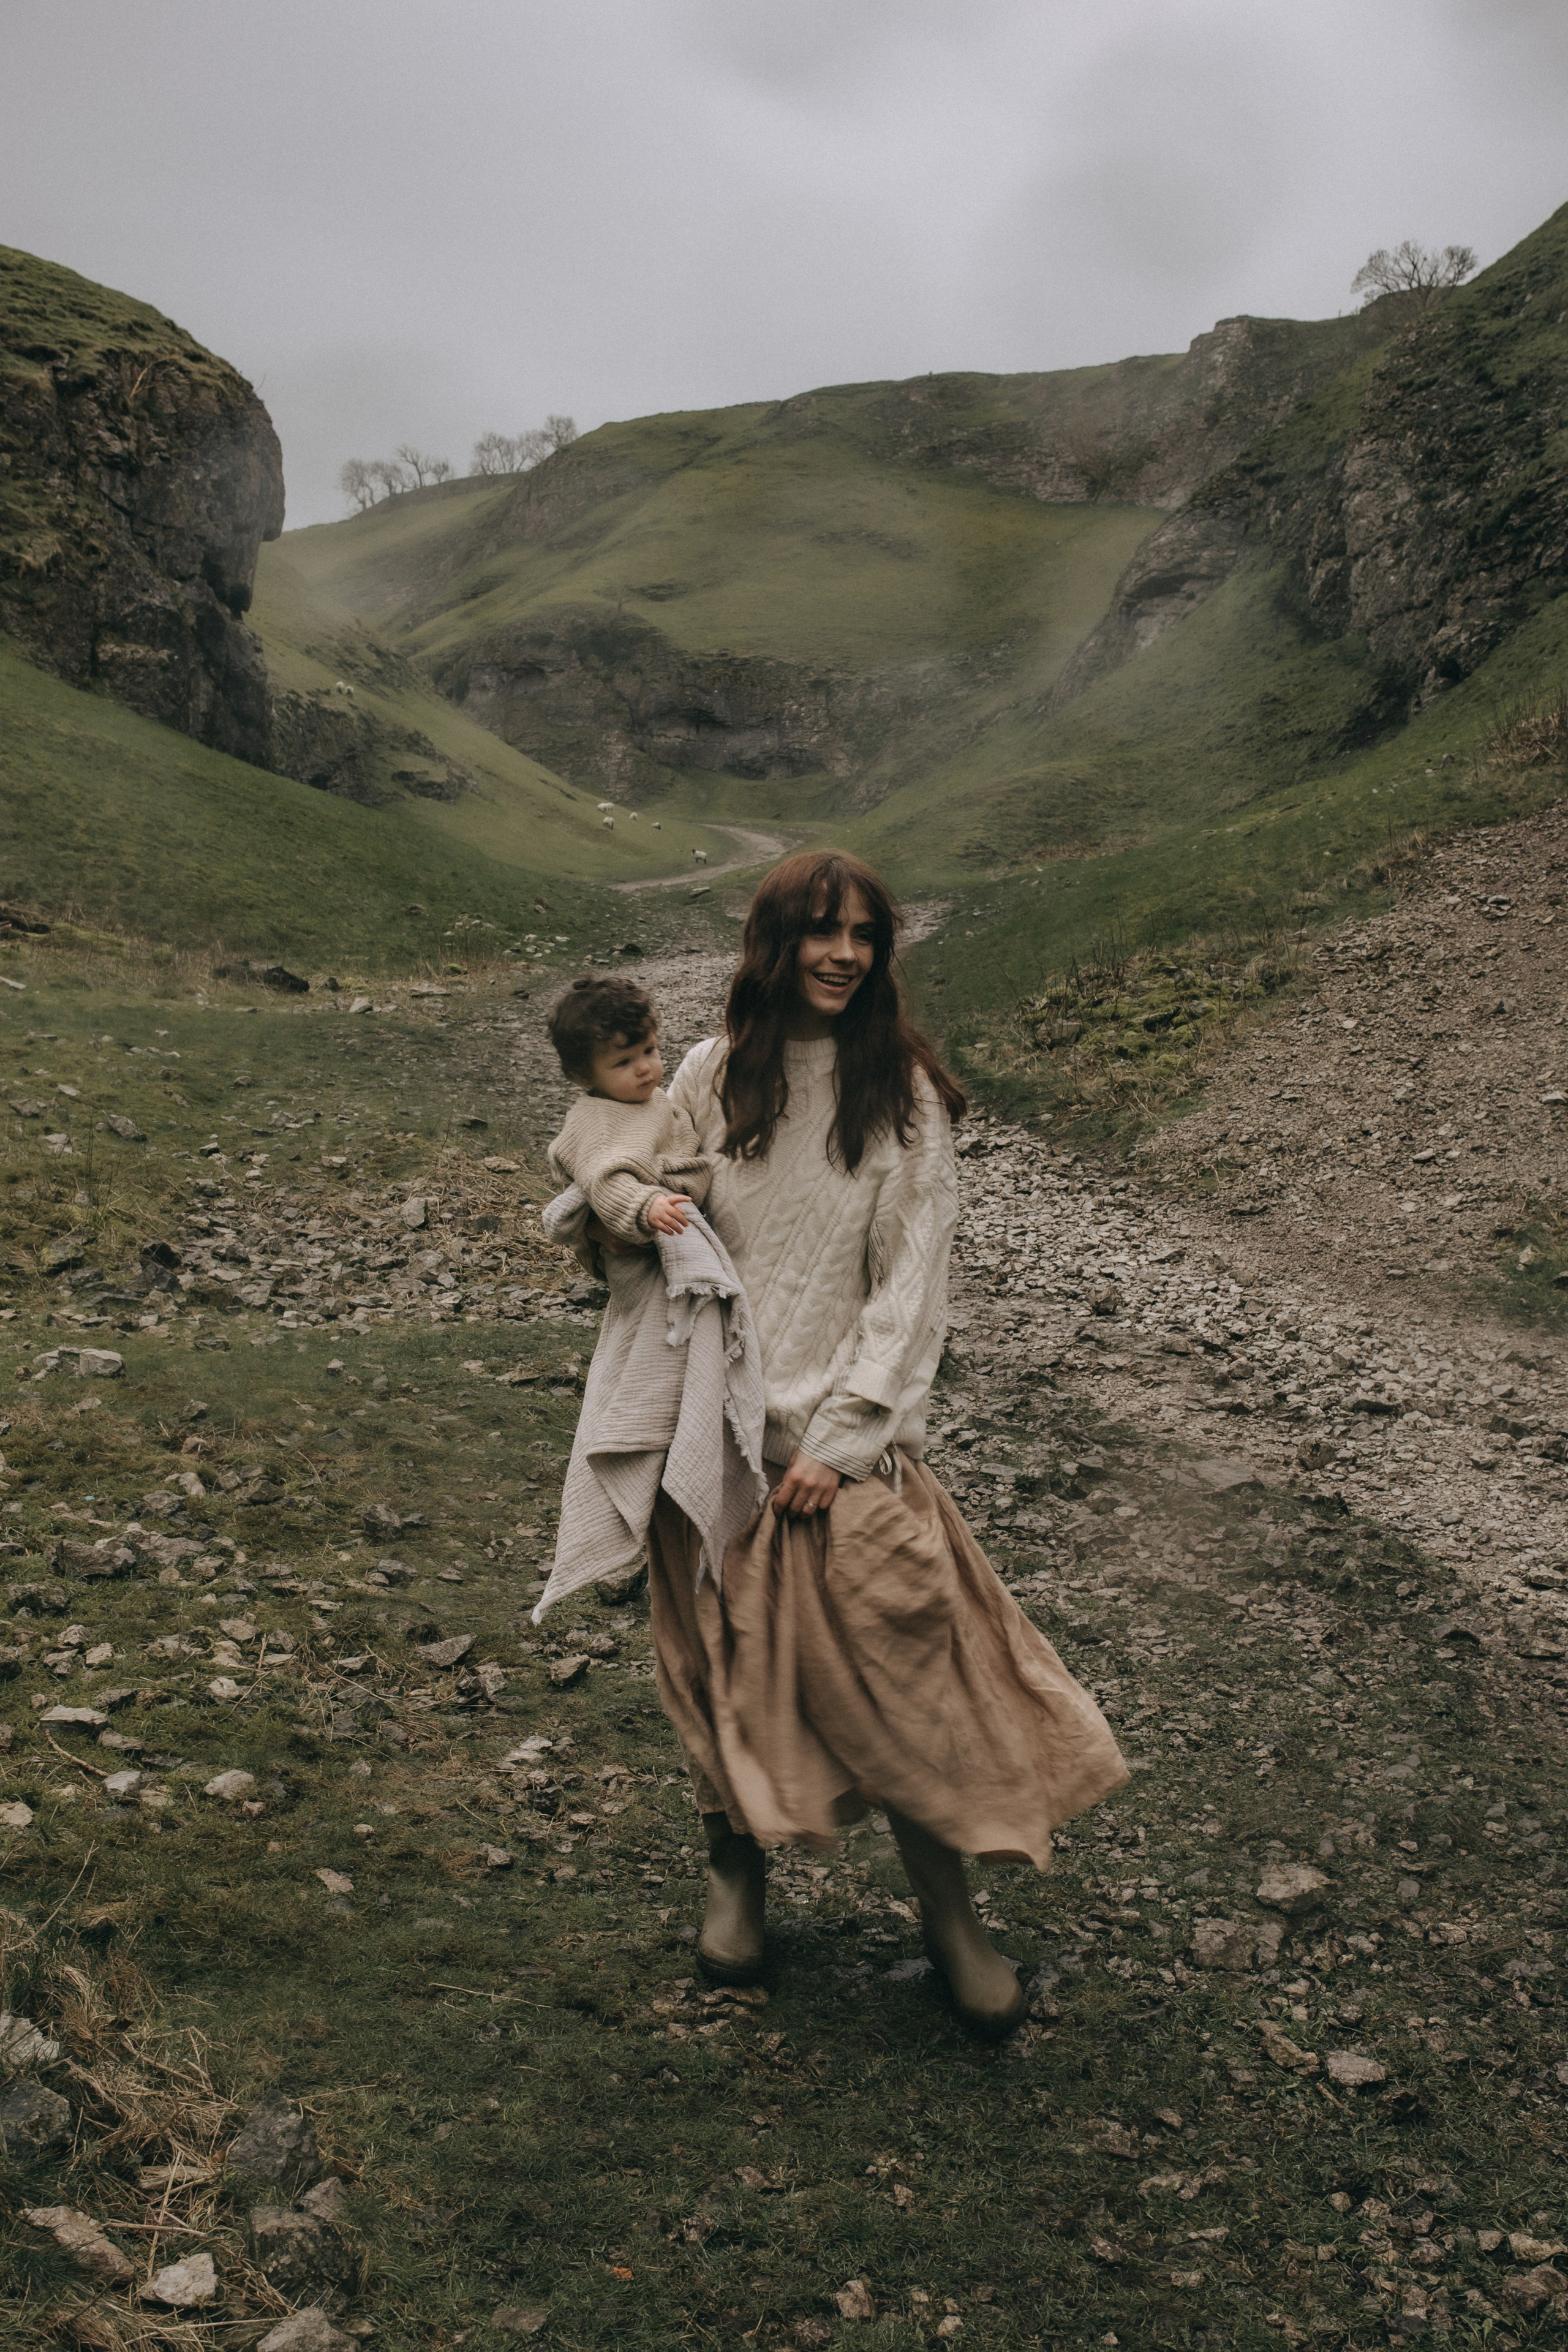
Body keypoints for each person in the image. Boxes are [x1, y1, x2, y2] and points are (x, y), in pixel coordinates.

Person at [652, 850, 1128, 2038]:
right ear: (776, 941)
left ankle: (953, 1929)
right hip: (711, 1446)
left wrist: (848, 1435)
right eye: (820, 930)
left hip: (830, 1463)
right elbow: (637, 1207)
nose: (843, 953)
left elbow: (910, 1285)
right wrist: (620, 1218)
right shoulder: (712, 1075)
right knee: (713, 1669)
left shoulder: (897, 1090)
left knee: (904, 1678)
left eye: (863, 934)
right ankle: (734, 1894)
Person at [534, 974, 766, 1625]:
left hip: (676, 1226)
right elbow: (604, 1181)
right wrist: (644, 1207)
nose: (644, 1069)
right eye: (624, 1062)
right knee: (657, 1355)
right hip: (648, 1249)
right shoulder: (594, 1118)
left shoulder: (655, 1102)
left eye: (648, 1052)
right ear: (585, 1074)